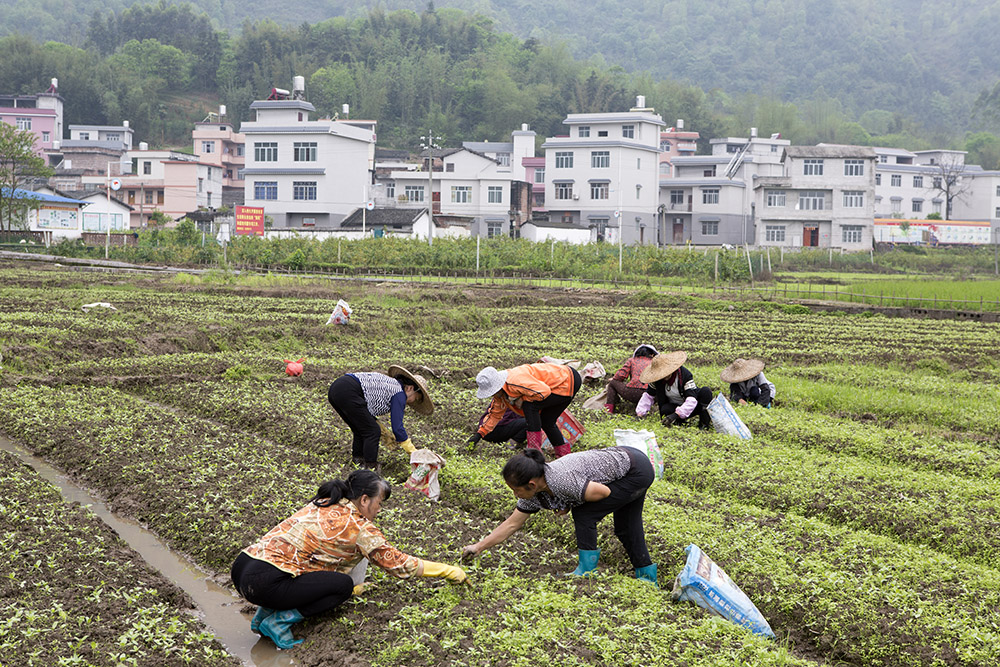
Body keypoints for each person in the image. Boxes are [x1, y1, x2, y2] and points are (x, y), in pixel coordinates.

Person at [231, 469, 468, 649]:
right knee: (342, 587)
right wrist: (447, 570)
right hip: (265, 583)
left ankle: (263, 614)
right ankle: (278, 622)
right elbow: (397, 563)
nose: (379, 510)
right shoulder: (360, 527)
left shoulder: (324, 502)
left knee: (298, 571)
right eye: (379, 503)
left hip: (243, 566)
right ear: (365, 500)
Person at [461, 447, 658, 585]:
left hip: (633, 470)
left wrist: (571, 503)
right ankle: (647, 577)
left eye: (516, 490)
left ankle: (587, 570)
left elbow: (603, 492)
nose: (515, 495)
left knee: (585, 514)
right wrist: (478, 547)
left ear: (531, 484)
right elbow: (512, 524)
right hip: (630, 463)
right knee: (626, 526)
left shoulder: (561, 480)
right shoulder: (535, 491)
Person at [327, 365, 433, 472]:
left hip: (337, 389)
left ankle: (358, 460)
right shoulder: (399, 393)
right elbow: (397, 427)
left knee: (361, 429)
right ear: (410, 388)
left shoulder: (391, 385)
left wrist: (383, 429)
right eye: (416, 398)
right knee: (372, 431)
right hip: (349, 390)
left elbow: (365, 414)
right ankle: (370, 467)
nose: (412, 402)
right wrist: (413, 451)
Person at [468, 362, 582, 458]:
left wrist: (522, 399)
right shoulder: (500, 395)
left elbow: (544, 392)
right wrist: (480, 434)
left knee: (530, 406)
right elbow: (494, 415)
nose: (493, 395)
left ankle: (534, 453)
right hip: (566, 381)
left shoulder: (514, 381)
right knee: (547, 422)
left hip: (566, 380)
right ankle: (564, 456)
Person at [636, 351, 713, 429]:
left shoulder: (684, 375)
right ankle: (679, 422)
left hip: (694, 406)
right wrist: (640, 413)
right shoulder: (656, 380)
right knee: (665, 409)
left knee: (706, 392)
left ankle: (704, 425)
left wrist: (676, 414)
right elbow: (648, 396)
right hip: (674, 406)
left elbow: (691, 399)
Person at [604, 344, 658, 414]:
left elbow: (621, 375)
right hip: (650, 394)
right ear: (652, 355)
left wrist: (614, 378)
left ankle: (609, 410)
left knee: (612, 383)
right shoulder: (655, 363)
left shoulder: (632, 360)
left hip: (631, 393)